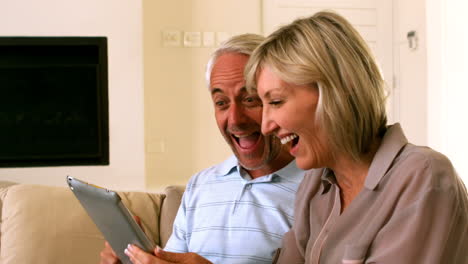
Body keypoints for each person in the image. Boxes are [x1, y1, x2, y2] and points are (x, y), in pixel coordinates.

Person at [244, 11, 468, 263]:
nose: (265, 126)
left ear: (334, 92)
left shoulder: (423, 175)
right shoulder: (315, 186)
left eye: (276, 101)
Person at [100, 34, 304, 264]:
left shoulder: (319, 191)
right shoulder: (201, 185)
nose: (235, 119)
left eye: (249, 99)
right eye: (221, 103)